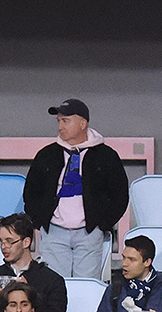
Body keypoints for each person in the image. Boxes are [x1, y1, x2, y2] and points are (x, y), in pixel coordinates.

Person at [24, 98, 128, 281]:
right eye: (59, 121)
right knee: (53, 287)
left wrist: (101, 225)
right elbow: (31, 192)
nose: (60, 127)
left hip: (89, 233)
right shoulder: (47, 154)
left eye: (66, 121)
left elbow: (120, 195)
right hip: (54, 232)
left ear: (82, 123)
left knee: (86, 285)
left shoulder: (106, 156)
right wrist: (40, 221)